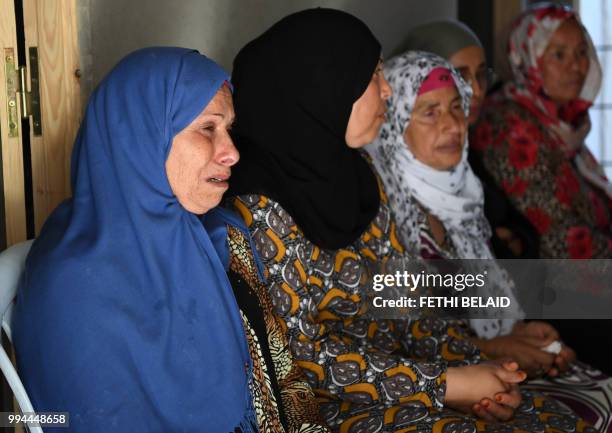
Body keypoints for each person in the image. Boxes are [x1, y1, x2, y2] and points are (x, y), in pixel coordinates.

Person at [225, 8, 594, 432]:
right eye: (371, 77)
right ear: (324, 86)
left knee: (552, 420)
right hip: (331, 411)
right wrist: (445, 384)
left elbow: (408, 312)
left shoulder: (361, 177)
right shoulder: (258, 210)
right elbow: (300, 360)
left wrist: (487, 369)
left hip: (410, 385)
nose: (385, 93)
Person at [12, 47, 327, 433]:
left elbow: (278, 384)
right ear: (141, 137)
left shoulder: (208, 236)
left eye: (228, 129)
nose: (231, 152)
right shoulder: (75, 290)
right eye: (208, 128)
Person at [472, 5, 612, 259]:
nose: (577, 67)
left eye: (581, 52)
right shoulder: (508, 126)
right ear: (528, 58)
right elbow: (557, 238)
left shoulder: (561, 123)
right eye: (559, 55)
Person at [397, 19, 539, 259]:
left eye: (481, 75)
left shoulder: (464, 150)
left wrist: (515, 241)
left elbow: (524, 231)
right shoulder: (407, 166)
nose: (477, 89)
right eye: (459, 76)